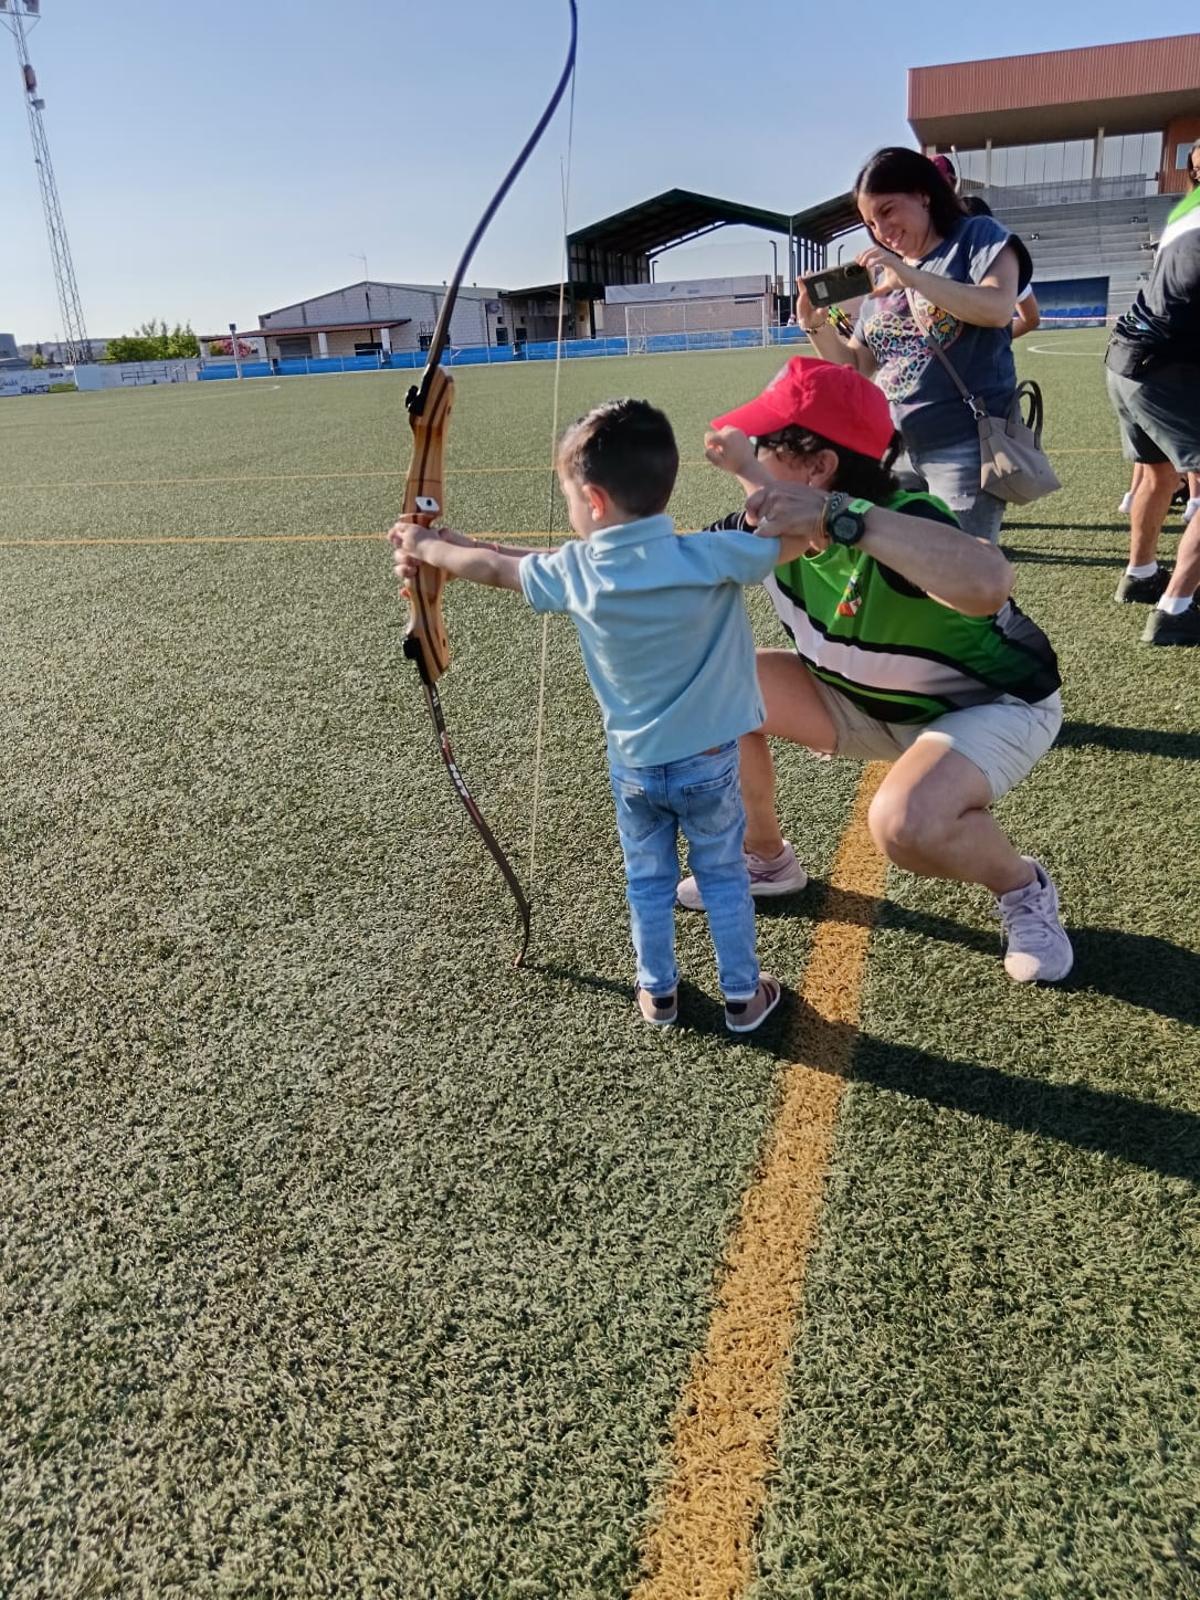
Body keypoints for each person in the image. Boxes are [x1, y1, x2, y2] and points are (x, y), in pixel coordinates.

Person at [389, 399, 784, 1031]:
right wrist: (756, 476)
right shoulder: (709, 555)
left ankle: (657, 992)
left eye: (570, 497)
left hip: (634, 769)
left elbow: (495, 569)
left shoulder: (575, 570)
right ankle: (743, 995)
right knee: (723, 875)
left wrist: (427, 547)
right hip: (709, 763)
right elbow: (783, 532)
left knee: (648, 881)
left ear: (594, 501)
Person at [676, 357, 1073, 984]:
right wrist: (496, 561)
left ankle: (1022, 887)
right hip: (860, 700)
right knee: (712, 690)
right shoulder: (764, 530)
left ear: (818, 466)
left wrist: (841, 520)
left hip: (989, 707)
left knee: (903, 824)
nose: (749, 457)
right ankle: (767, 860)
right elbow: (656, 569)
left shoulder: (905, 518)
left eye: (764, 446)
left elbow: (988, 583)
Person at [801, 147, 1033, 544]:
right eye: (871, 223)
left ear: (923, 194)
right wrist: (815, 326)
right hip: (896, 450)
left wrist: (912, 276)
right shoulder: (883, 281)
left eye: (888, 211)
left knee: (961, 569)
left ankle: (1001, 611)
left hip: (965, 445)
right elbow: (856, 365)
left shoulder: (976, 237)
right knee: (905, 573)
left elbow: (997, 309)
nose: (881, 230)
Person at [1106, 137, 1200, 643]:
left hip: (1124, 360)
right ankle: (1177, 609)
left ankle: (1140, 576)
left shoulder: (1188, 210)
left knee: (1153, 473)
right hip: (1162, 367)